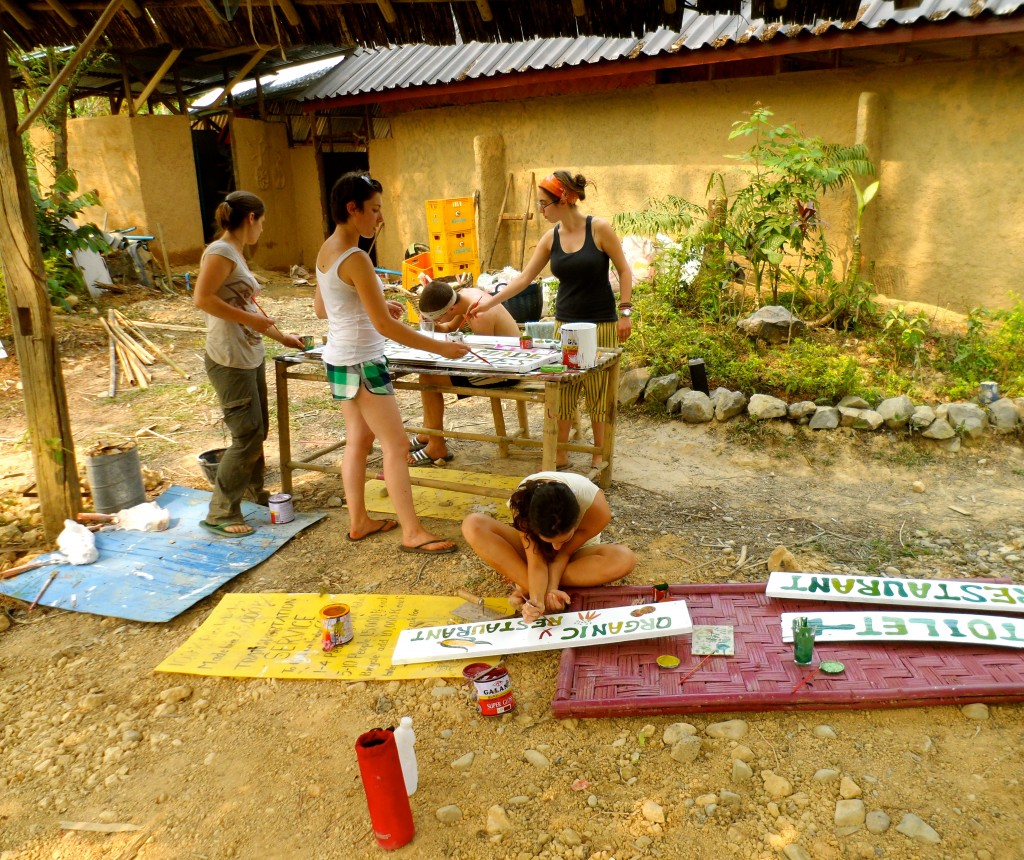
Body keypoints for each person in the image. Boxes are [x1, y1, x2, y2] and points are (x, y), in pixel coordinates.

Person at [314, 172, 470, 554]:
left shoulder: (327, 250)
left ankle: (359, 521)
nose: (379, 218)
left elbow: (324, 308)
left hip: (338, 356)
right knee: (397, 445)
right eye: (375, 209)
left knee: (359, 441)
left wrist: (377, 303)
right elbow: (384, 326)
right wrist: (439, 347)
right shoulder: (355, 258)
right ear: (353, 210)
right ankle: (412, 532)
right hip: (362, 360)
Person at [469, 170, 633, 470]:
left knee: (598, 389)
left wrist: (625, 311)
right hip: (566, 324)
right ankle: (560, 452)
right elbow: (523, 279)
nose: (540, 210)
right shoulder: (551, 237)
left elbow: (624, 270)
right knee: (563, 387)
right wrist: (486, 302)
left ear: (565, 200)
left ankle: (599, 454)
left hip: (602, 322)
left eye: (544, 204)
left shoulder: (599, 229)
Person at [193, 191, 304, 538]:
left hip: (247, 353)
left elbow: (250, 309)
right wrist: (249, 320)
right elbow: (202, 298)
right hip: (228, 357)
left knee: (258, 431)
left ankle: (254, 495)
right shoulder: (221, 251)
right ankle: (221, 511)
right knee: (246, 435)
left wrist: (282, 337)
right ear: (252, 218)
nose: (263, 228)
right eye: (263, 221)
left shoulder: (235, 252)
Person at [461, 471, 635, 623]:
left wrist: (550, 589)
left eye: (564, 538)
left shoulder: (597, 508)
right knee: (473, 524)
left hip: (575, 556)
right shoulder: (524, 503)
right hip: (534, 556)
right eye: (549, 540)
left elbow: (561, 555)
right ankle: (533, 586)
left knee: (624, 558)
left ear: (576, 521)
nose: (556, 546)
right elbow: (536, 561)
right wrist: (538, 601)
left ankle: (532, 585)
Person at [410, 279, 520, 465]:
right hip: (495, 362)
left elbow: (484, 361)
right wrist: (433, 324)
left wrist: (447, 356)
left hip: (505, 372)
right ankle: (428, 433)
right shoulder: (466, 298)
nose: (437, 322)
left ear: (450, 310)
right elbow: (448, 328)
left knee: (430, 377)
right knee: (427, 373)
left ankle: (436, 444)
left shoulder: (480, 315)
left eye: (437, 318)